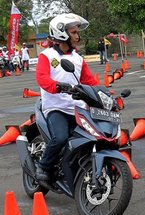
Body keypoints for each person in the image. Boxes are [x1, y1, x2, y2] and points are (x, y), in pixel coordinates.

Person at [34, 13, 98, 188]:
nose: (78, 36)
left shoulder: (78, 59)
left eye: (77, 32)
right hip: (56, 108)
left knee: (92, 137)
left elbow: (89, 81)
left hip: (77, 108)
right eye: (74, 32)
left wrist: (103, 93)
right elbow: (42, 78)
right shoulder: (46, 56)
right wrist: (58, 86)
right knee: (61, 137)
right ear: (62, 33)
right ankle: (43, 166)